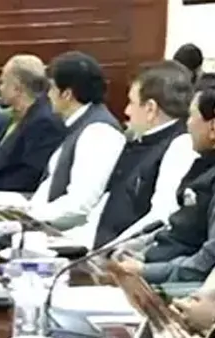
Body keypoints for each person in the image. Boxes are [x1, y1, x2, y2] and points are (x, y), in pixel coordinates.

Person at [79, 61, 195, 249]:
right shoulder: (140, 140)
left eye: (131, 103)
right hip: (98, 246)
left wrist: (108, 250)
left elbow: (160, 218)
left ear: (150, 108)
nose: (127, 111)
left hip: (123, 256)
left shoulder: (181, 146)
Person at [115, 87, 215, 283]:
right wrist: (138, 249)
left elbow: (206, 262)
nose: (187, 124)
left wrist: (145, 270)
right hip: (154, 264)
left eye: (191, 116)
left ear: (212, 127)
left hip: (176, 284)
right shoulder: (203, 165)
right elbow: (176, 228)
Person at [27, 51, 126, 229]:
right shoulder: (78, 125)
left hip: (71, 235)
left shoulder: (99, 133)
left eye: (51, 88)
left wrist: (30, 217)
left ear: (67, 94)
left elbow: (80, 205)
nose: (48, 95)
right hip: (46, 223)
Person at [0, 54, 66, 192]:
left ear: (17, 89)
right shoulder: (12, 115)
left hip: (12, 196)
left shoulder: (44, 121)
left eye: (2, 82)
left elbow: (30, 176)